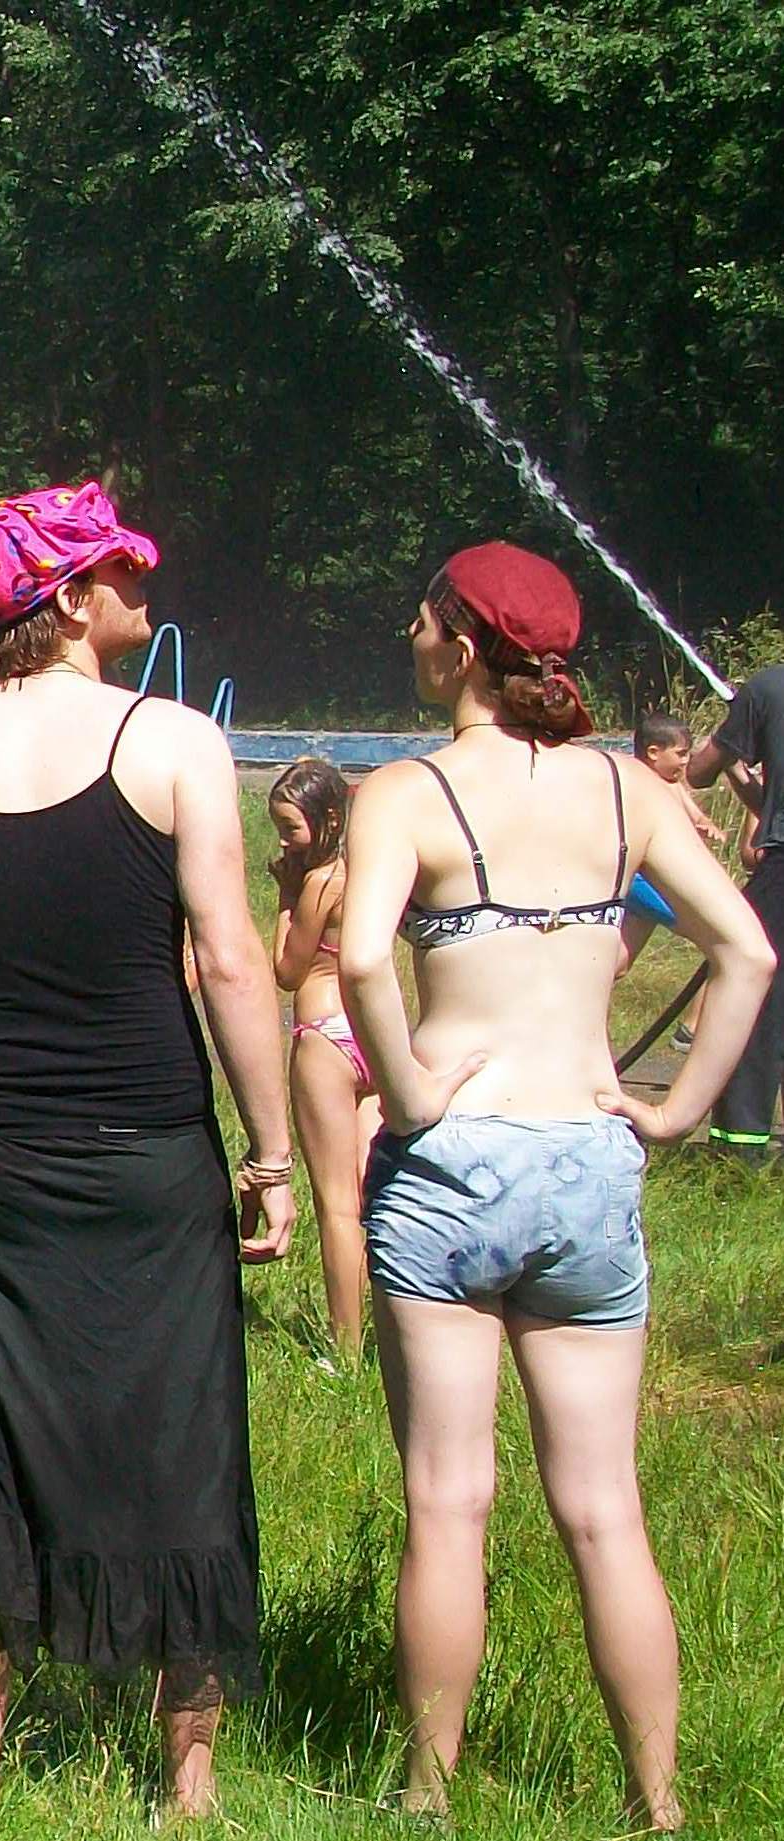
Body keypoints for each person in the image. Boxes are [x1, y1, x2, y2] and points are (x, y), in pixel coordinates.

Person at [0, 484, 293, 1818]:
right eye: (122, 571)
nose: (142, 590)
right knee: (181, 1443)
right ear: (71, 599)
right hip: (149, 1148)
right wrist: (271, 1151)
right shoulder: (174, 743)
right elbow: (229, 959)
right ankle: (187, 1785)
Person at [336, 544, 768, 1831]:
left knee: (446, 1502)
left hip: (454, 1161)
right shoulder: (629, 787)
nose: (410, 634)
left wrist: (411, 1092)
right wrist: (675, 1113)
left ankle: (427, 1792)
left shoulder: (405, 791)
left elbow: (359, 959)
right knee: (605, 1508)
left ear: (464, 644)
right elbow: (748, 949)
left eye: (423, 620)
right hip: (586, 1156)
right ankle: (659, 1799)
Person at [266, 755, 372, 1359]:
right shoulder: (367, 873)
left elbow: (287, 971)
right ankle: (384, 1328)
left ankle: (345, 1349)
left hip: (324, 1036)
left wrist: (285, 897)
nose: (284, 841)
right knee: (371, 1195)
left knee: (337, 1205)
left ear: (328, 818)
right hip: (369, 1038)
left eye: (291, 827)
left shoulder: (320, 883)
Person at [685, 661, 784, 1156]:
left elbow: (698, 772)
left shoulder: (767, 686)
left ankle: (739, 1149)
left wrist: (730, 749)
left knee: (756, 1002)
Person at [616, 713, 729, 973]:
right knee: (714, 933)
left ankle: (573, 987)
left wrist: (707, 826)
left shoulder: (672, 784)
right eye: (681, 754)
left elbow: (697, 816)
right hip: (642, 880)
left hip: (657, 880)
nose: (687, 760)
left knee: (619, 965)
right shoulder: (636, 780)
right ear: (654, 752)